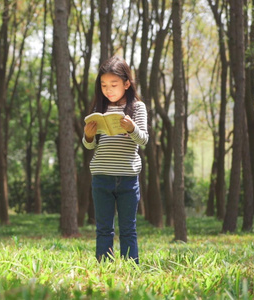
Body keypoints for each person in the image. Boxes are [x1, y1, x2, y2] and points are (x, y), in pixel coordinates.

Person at [83, 56, 148, 263]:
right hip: (101, 177)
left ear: (126, 84)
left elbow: (144, 139)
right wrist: (88, 135)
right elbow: (90, 146)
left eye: (113, 84)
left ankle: (131, 269)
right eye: (103, 85)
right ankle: (104, 269)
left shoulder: (137, 108)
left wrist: (132, 128)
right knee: (103, 230)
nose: (108, 90)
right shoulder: (98, 110)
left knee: (128, 229)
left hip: (127, 179)